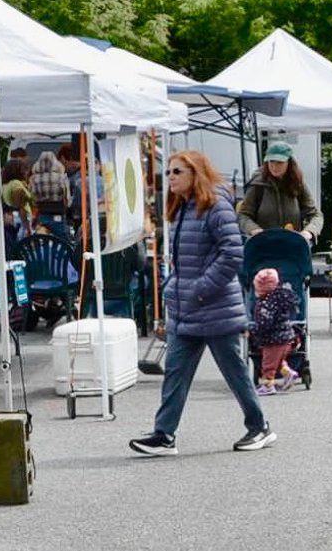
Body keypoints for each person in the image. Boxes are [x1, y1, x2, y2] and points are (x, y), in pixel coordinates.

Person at [128, 151, 276, 456]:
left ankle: (259, 426)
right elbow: (187, 260)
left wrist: (200, 289)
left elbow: (232, 254)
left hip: (214, 308)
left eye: (177, 172)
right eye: (169, 172)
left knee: (234, 371)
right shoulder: (183, 208)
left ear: (196, 173)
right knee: (175, 373)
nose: (170, 177)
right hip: (188, 308)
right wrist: (175, 288)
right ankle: (164, 434)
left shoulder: (216, 206)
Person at [238, 142, 318, 237]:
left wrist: (309, 231)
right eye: (271, 161)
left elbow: (315, 214)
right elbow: (243, 215)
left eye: (280, 162)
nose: (274, 166)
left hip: (292, 243)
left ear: (289, 163)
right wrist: (253, 229)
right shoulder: (257, 185)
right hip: (263, 243)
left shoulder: (297, 184)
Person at [250, 266, 300, 396]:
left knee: (268, 364)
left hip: (274, 340)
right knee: (278, 361)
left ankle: (268, 385)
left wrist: (253, 329)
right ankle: (288, 373)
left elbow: (265, 323)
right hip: (286, 338)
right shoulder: (280, 297)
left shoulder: (265, 303)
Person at [29, 150, 71, 223]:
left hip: (41, 211)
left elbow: (32, 197)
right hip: (59, 211)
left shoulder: (33, 179)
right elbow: (67, 198)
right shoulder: (62, 178)